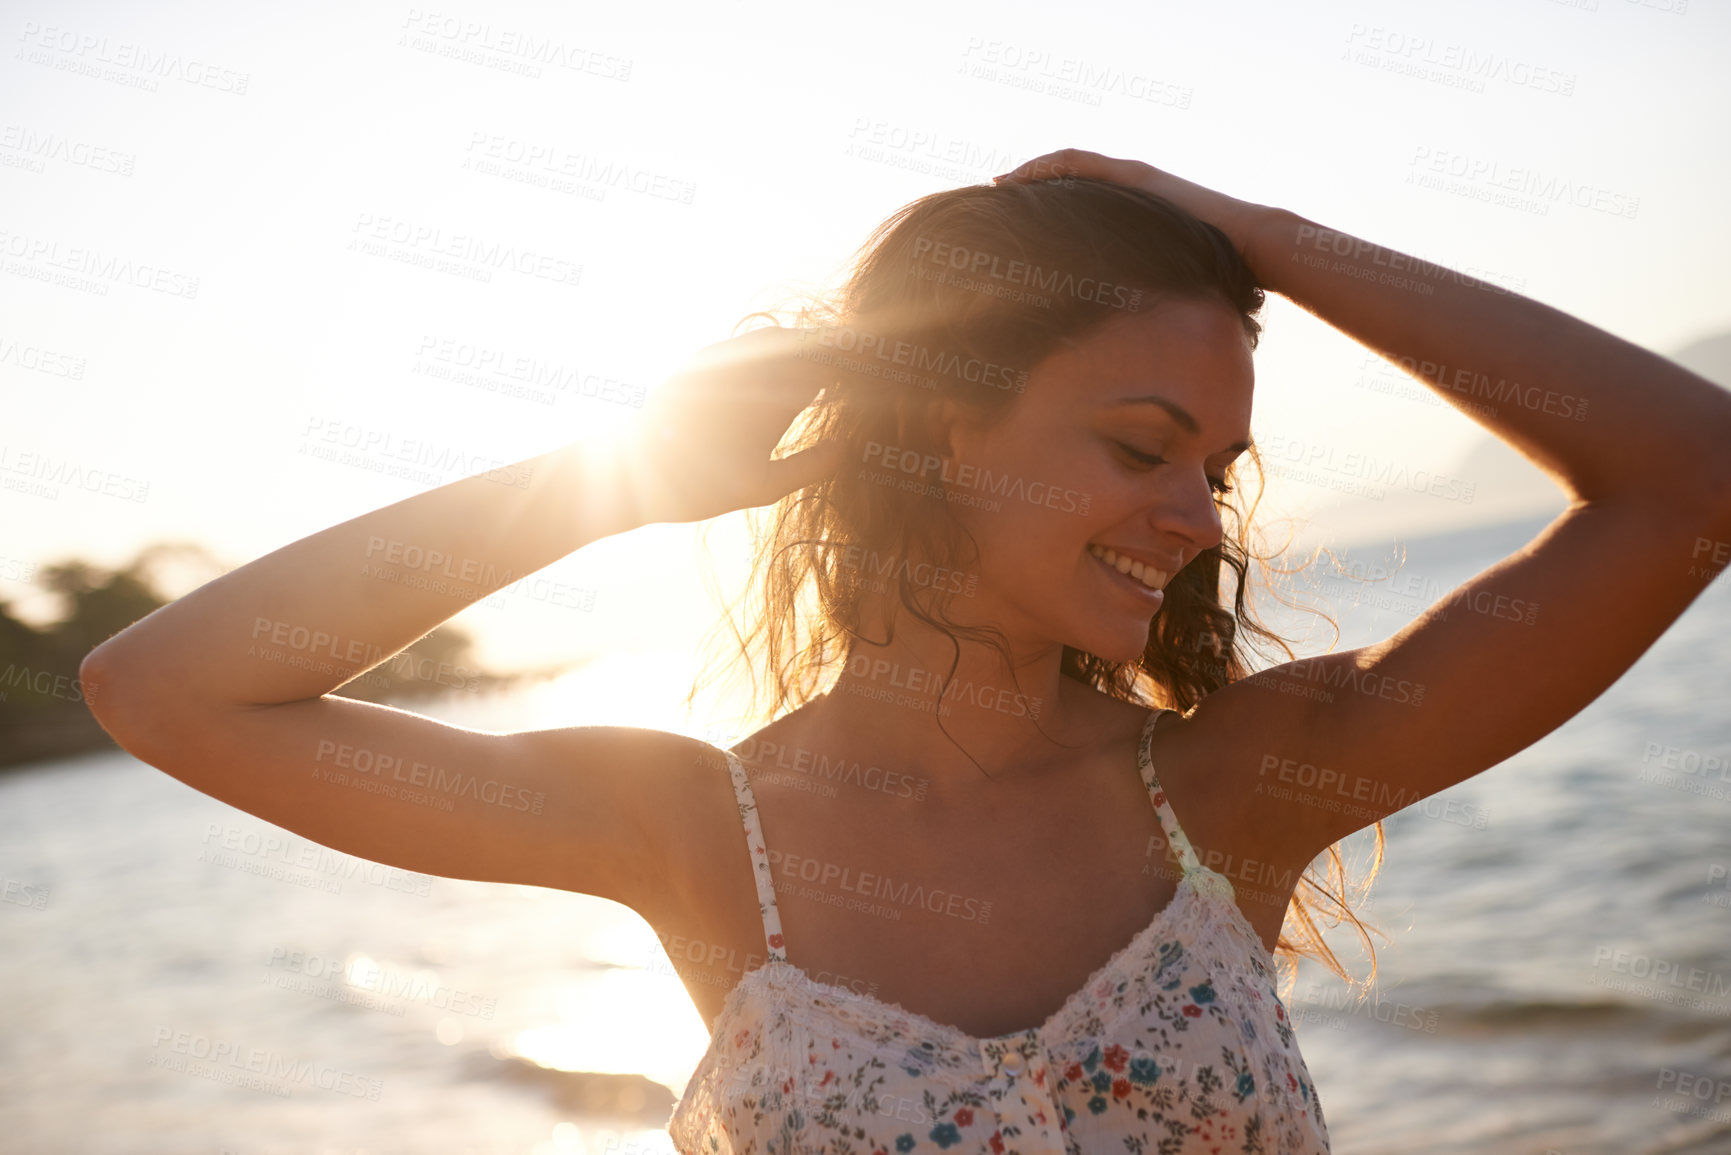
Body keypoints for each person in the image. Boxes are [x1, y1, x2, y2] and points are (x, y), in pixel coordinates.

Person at [80, 148, 1731, 1153]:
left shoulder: (1237, 789)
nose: (1200, 519)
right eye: (1142, 444)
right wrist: (605, 482)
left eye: (1217, 469)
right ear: (943, 433)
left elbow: (1694, 481)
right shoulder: (685, 833)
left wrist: (1257, 234)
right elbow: (162, 689)